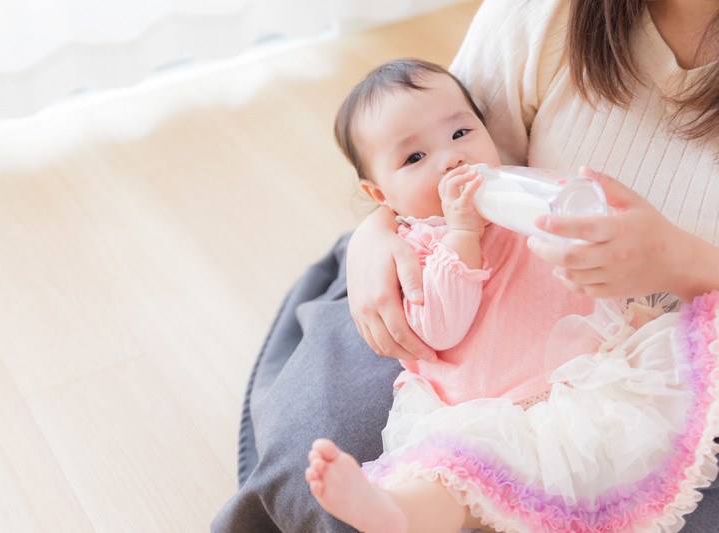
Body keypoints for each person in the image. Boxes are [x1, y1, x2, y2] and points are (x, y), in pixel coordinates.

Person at [211, 0, 719, 531]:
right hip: (486, 384)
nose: (452, 158)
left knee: (615, 455)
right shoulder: (543, 16)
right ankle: (399, 513)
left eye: (461, 136)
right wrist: (381, 230)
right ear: (375, 190)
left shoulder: (508, 199)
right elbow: (436, 324)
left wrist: (679, 263)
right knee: (445, 466)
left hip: (602, 353)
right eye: (416, 158)